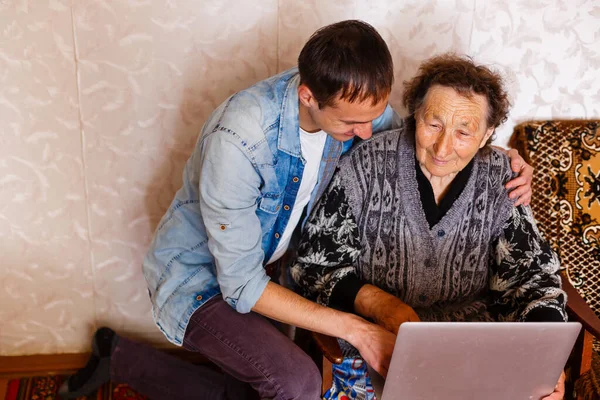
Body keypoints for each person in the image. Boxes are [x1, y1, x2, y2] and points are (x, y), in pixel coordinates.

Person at [59, 22, 533, 400]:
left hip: (274, 272)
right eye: (352, 124)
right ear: (308, 96)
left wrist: (502, 157)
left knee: (265, 385)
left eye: (376, 116)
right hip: (204, 280)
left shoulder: (357, 108)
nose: (369, 134)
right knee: (297, 385)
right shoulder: (239, 141)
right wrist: (360, 330)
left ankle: (115, 357)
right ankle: (119, 358)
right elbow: (241, 285)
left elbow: (431, 139)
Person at [291, 53, 567, 400]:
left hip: (474, 349)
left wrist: (544, 359)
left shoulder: (502, 178)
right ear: (414, 115)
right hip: (374, 346)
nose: (442, 147)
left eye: (464, 132)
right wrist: (384, 308)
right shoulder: (365, 165)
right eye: (433, 124)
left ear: (487, 135)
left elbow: (531, 278)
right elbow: (314, 267)